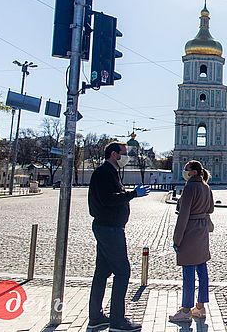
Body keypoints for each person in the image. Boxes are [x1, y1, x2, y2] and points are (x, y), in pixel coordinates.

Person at [87, 141, 150, 331]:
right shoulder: (105, 172)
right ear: (114, 154)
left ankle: (96, 317)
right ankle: (117, 320)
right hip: (110, 229)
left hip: (107, 227)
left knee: (102, 273)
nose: (127, 156)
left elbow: (111, 196)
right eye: (124, 153)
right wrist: (132, 194)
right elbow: (108, 199)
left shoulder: (109, 172)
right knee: (123, 272)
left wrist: (128, 194)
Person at [169, 160, 214, 323]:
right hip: (202, 230)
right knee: (202, 268)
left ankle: (186, 310)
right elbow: (211, 208)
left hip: (190, 231)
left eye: (186, 169)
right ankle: (200, 308)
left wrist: (177, 239)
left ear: (194, 172)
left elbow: (183, 215)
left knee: (188, 271)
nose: (184, 172)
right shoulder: (205, 186)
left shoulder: (190, 187)